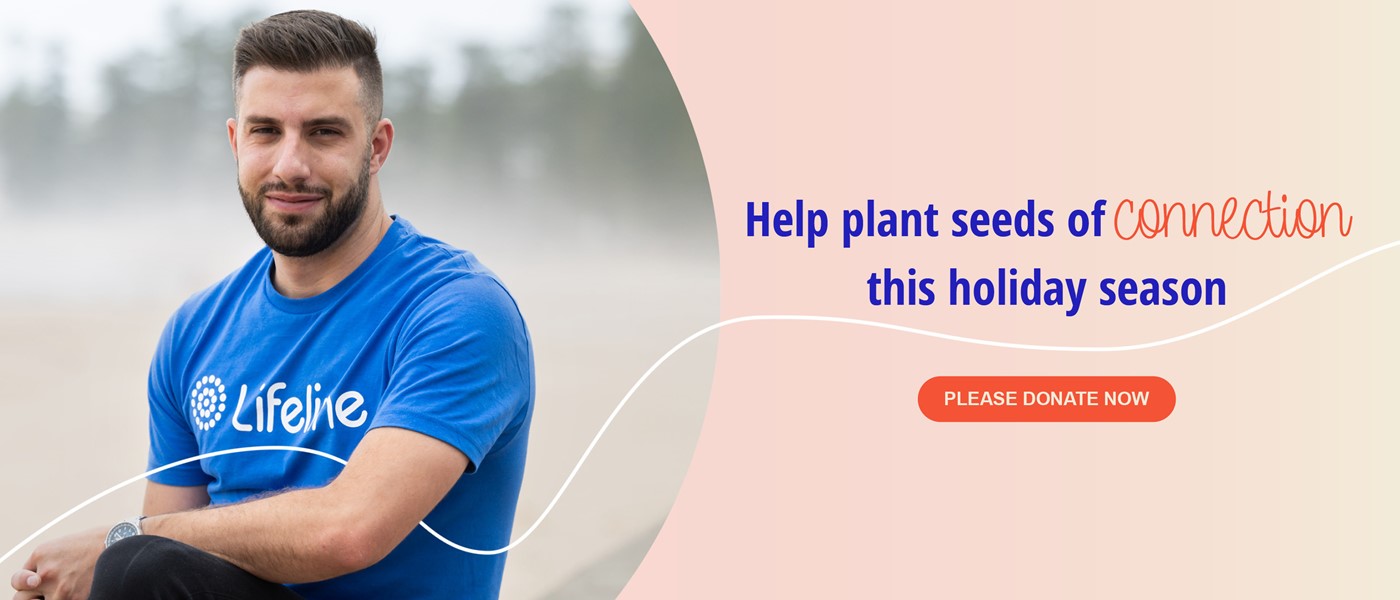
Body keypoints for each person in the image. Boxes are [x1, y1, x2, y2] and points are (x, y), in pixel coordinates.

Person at [9, 10, 534, 600]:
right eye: (266, 131)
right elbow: (167, 552)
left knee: (135, 565)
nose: (290, 165)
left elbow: (350, 530)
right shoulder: (196, 332)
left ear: (377, 147)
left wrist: (117, 543)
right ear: (236, 142)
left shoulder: (457, 313)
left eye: (324, 132)